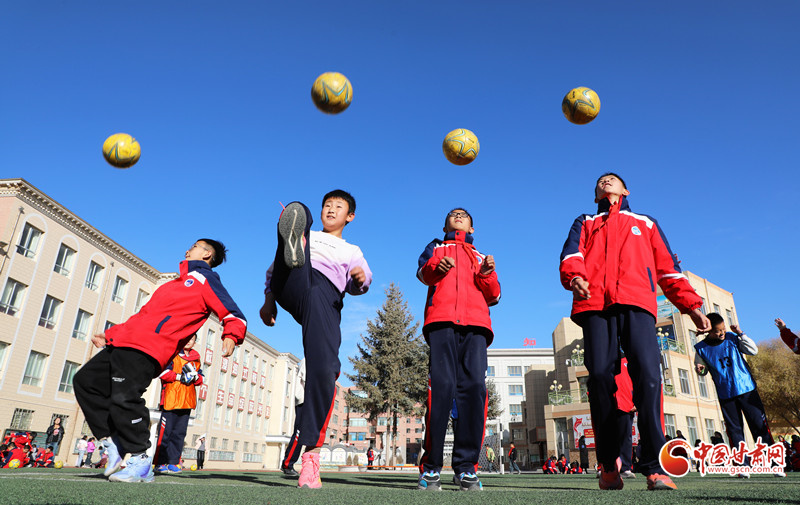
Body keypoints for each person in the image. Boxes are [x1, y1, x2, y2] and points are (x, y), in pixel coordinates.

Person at [559, 172, 710, 491]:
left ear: (625, 190)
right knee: (599, 376)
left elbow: (669, 269)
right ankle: (609, 465)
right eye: (600, 181)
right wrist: (575, 278)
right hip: (595, 305)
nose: (605, 182)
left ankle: (655, 467)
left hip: (637, 303)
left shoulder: (647, 222)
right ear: (594, 193)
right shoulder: (584, 221)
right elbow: (571, 256)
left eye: (612, 179)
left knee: (648, 376)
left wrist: (692, 306)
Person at [73, 239, 246, 483]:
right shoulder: (171, 285)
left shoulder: (205, 279)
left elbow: (233, 314)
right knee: (85, 381)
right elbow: (143, 317)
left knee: (124, 397)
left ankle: (141, 459)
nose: (188, 249)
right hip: (125, 342)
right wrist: (112, 334)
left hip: (151, 348)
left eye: (195, 246)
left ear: (207, 254)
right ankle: (113, 442)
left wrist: (231, 335)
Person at [260, 191, 372, 489]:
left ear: (350, 216)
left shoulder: (351, 249)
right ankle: (293, 239)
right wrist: (268, 302)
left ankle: (310, 456)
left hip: (325, 296)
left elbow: (363, 280)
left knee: (324, 370)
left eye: (338, 207)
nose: (331, 210)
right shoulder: (309, 232)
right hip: (294, 281)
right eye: (327, 206)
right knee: (299, 215)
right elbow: (272, 272)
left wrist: (360, 279)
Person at [415, 208, 501, 492]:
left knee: (474, 389)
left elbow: (495, 295)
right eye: (453, 214)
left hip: (476, 327)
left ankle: (466, 468)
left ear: (473, 228)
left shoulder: (480, 256)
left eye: (464, 214)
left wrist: (487, 274)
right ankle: (431, 468)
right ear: (445, 225)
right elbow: (423, 273)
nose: (459, 215)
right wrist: (435, 269)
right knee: (441, 389)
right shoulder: (436, 247)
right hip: (441, 323)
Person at [694, 313, 784, 477]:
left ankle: (774, 463)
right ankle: (742, 466)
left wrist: (741, 334)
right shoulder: (701, 348)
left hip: (747, 389)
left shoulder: (732, 338)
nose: (721, 334)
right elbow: (701, 368)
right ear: (708, 331)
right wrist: (701, 369)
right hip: (726, 394)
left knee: (759, 427)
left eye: (723, 329)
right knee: (735, 432)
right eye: (717, 331)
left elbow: (753, 351)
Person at [154, 333, 203, 474]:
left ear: (194, 342)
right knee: (165, 433)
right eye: (187, 338)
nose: (189, 341)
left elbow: (201, 379)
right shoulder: (172, 354)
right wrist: (179, 376)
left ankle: (174, 462)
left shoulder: (196, 358)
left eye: (192, 339)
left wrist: (195, 376)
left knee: (179, 434)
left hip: (186, 401)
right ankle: (160, 462)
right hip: (170, 399)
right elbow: (162, 372)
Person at [279, 358, 306, 477]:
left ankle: (304, 465)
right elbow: (307, 379)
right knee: (299, 434)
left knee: (305, 434)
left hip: (310, 400)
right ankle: (287, 464)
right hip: (304, 400)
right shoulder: (309, 357)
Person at [614, 356, 637, 479]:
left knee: (625, 437)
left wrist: (636, 401)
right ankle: (607, 468)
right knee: (608, 437)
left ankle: (625, 468)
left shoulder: (630, 361)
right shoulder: (605, 361)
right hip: (609, 403)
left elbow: (637, 381)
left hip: (626, 404)